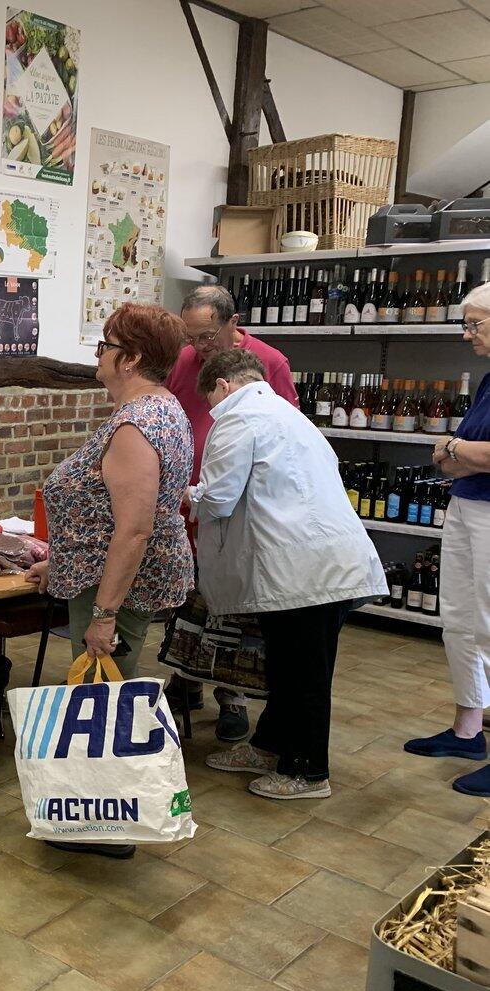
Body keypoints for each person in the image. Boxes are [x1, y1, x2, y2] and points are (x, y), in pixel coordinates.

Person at [26, 303, 195, 858]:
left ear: (133, 358)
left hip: (117, 589)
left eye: (105, 346)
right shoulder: (160, 409)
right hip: (106, 577)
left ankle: (107, 826)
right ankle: (99, 817)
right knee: (104, 697)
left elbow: (134, 529)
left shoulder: (135, 426)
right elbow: (110, 516)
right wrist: (62, 562)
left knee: (104, 702)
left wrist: (103, 615)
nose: (97, 355)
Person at [193, 350, 386, 801]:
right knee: (286, 667)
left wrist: (187, 495)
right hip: (314, 564)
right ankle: (269, 747)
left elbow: (219, 498)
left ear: (222, 385)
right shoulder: (288, 415)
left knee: (305, 675)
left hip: (304, 570)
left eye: (209, 400)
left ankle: (308, 771)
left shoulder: (239, 418)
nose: (211, 409)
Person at [166, 284, 299, 742]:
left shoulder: (269, 363)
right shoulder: (185, 360)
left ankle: (232, 695)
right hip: (188, 496)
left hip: (238, 503)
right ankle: (185, 677)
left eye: (206, 336)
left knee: (235, 604)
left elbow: (285, 430)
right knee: (189, 593)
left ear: (232, 323)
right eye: (191, 337)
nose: (198, 347)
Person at [404, 282, 490, 795]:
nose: (466, 333)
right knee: (458, 619)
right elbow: (459, 455)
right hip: (467, 504)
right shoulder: (488, 380)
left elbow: (465, 451)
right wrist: (460, 452)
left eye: (474, 323)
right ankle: (467, 730)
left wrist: (455, 448)